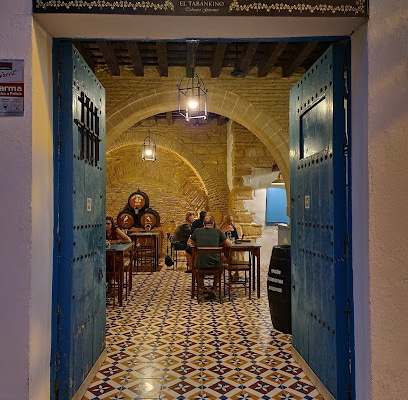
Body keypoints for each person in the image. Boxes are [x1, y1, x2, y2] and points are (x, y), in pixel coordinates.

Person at [187, 215, 231, 291]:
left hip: (200, 264)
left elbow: (189, 243)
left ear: (203, 224)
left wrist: (197, 244)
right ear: (213, 223)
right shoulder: (218, 232)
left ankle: (202, 287)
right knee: (221, 268)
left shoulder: (197, 231)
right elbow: (229, 244)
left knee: (197, 268)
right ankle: (214, 287)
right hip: (215, 264)